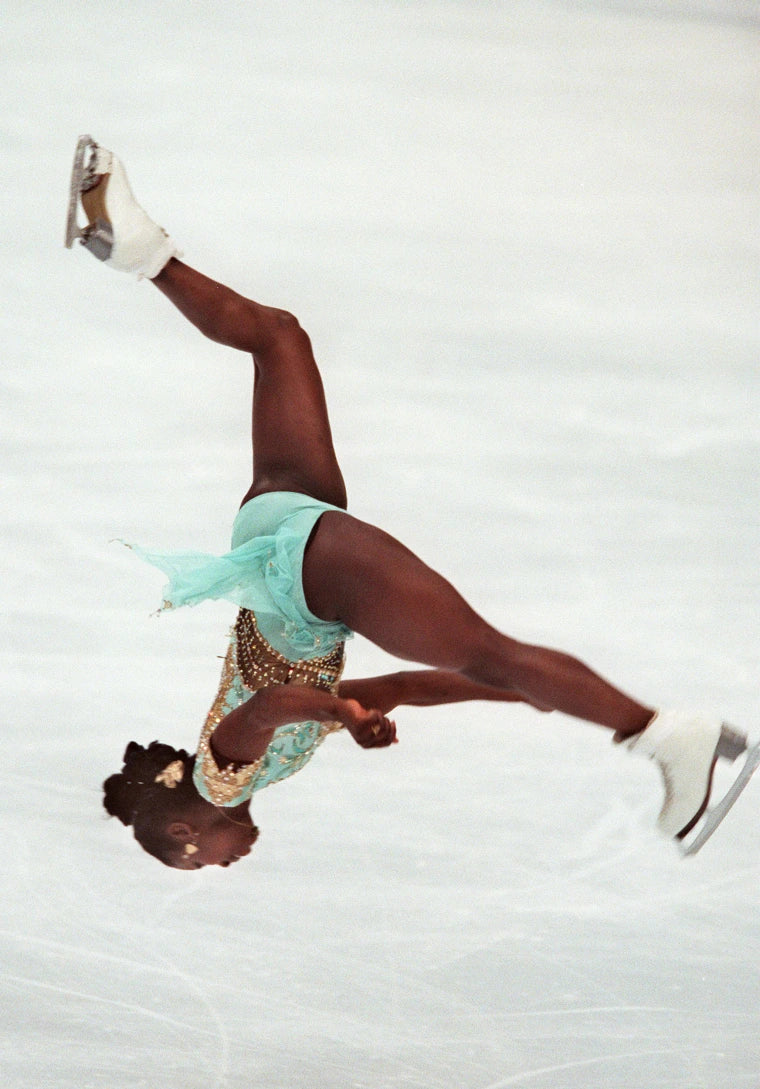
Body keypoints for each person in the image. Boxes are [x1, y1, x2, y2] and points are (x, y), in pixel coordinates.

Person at [66, 136, 750, 871]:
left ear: (184, 832)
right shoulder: (277, 763)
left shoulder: (221, 772)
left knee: (495, 651)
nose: (223, 863)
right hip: (276, 529)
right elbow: (403, 687)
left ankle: (664, 735)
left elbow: (268, 708)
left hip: (306, 580)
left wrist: (343, 713)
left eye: (198, 862)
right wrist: (510, 695)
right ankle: (134, 247)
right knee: (279, 338)